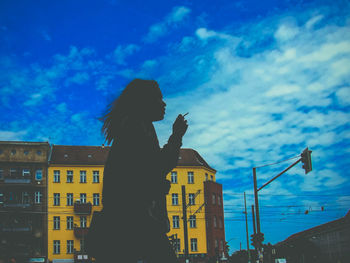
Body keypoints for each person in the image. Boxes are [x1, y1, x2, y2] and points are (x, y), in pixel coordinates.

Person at [90, 79, 188, 263]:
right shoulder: (137, 128)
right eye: (159, 99)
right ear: (145, 102)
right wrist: (176, 136)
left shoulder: (134, 126)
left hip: (127, 222)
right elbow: (159, 166)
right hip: (135, 220)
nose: (164, 103)